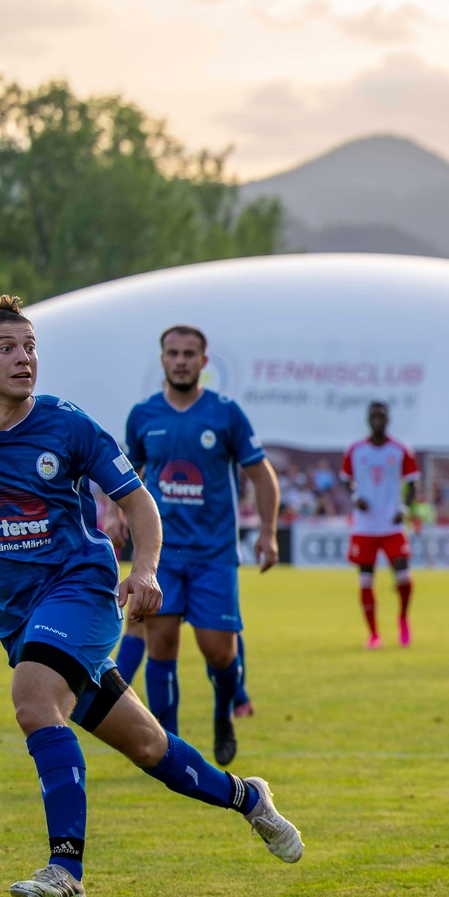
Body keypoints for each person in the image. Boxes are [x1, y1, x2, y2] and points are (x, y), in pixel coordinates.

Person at [0, 296, 302, 897]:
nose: (25, 359)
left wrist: (145, 570)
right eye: (8, 348)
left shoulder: (68, 424)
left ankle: (65, 869)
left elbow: (139, 505)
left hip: (80, 586)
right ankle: (248, 798)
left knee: (33, 701)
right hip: (18, 616)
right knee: (150, 748)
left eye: (30, 347)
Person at [123, 325, 280, 765]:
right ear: (162, 359)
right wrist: (122, 518)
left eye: (189, 354)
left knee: (219, 651)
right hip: (162, 555)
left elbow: (262, 475)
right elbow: (128, 479)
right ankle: (167, 747)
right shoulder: (143, 416)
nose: (180, 361)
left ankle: (223, 713)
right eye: (173, 353)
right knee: (162, 646)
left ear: (203, 362)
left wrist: (267, 532)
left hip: (214, 555)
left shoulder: (225, 414)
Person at [341, 401, 419, 649]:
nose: (377, 419)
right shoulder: (355, 450)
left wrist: (404, 509)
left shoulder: (400, 449)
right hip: (364, 527)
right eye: (373, 415)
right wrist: (355, 497)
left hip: (391, 524)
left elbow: (412, 485)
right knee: (365, 580)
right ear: (367, 419)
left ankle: (403, 619)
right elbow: (346, 480)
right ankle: (374, 634)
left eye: (381, 415)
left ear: (388, 419)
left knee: (404, 575)